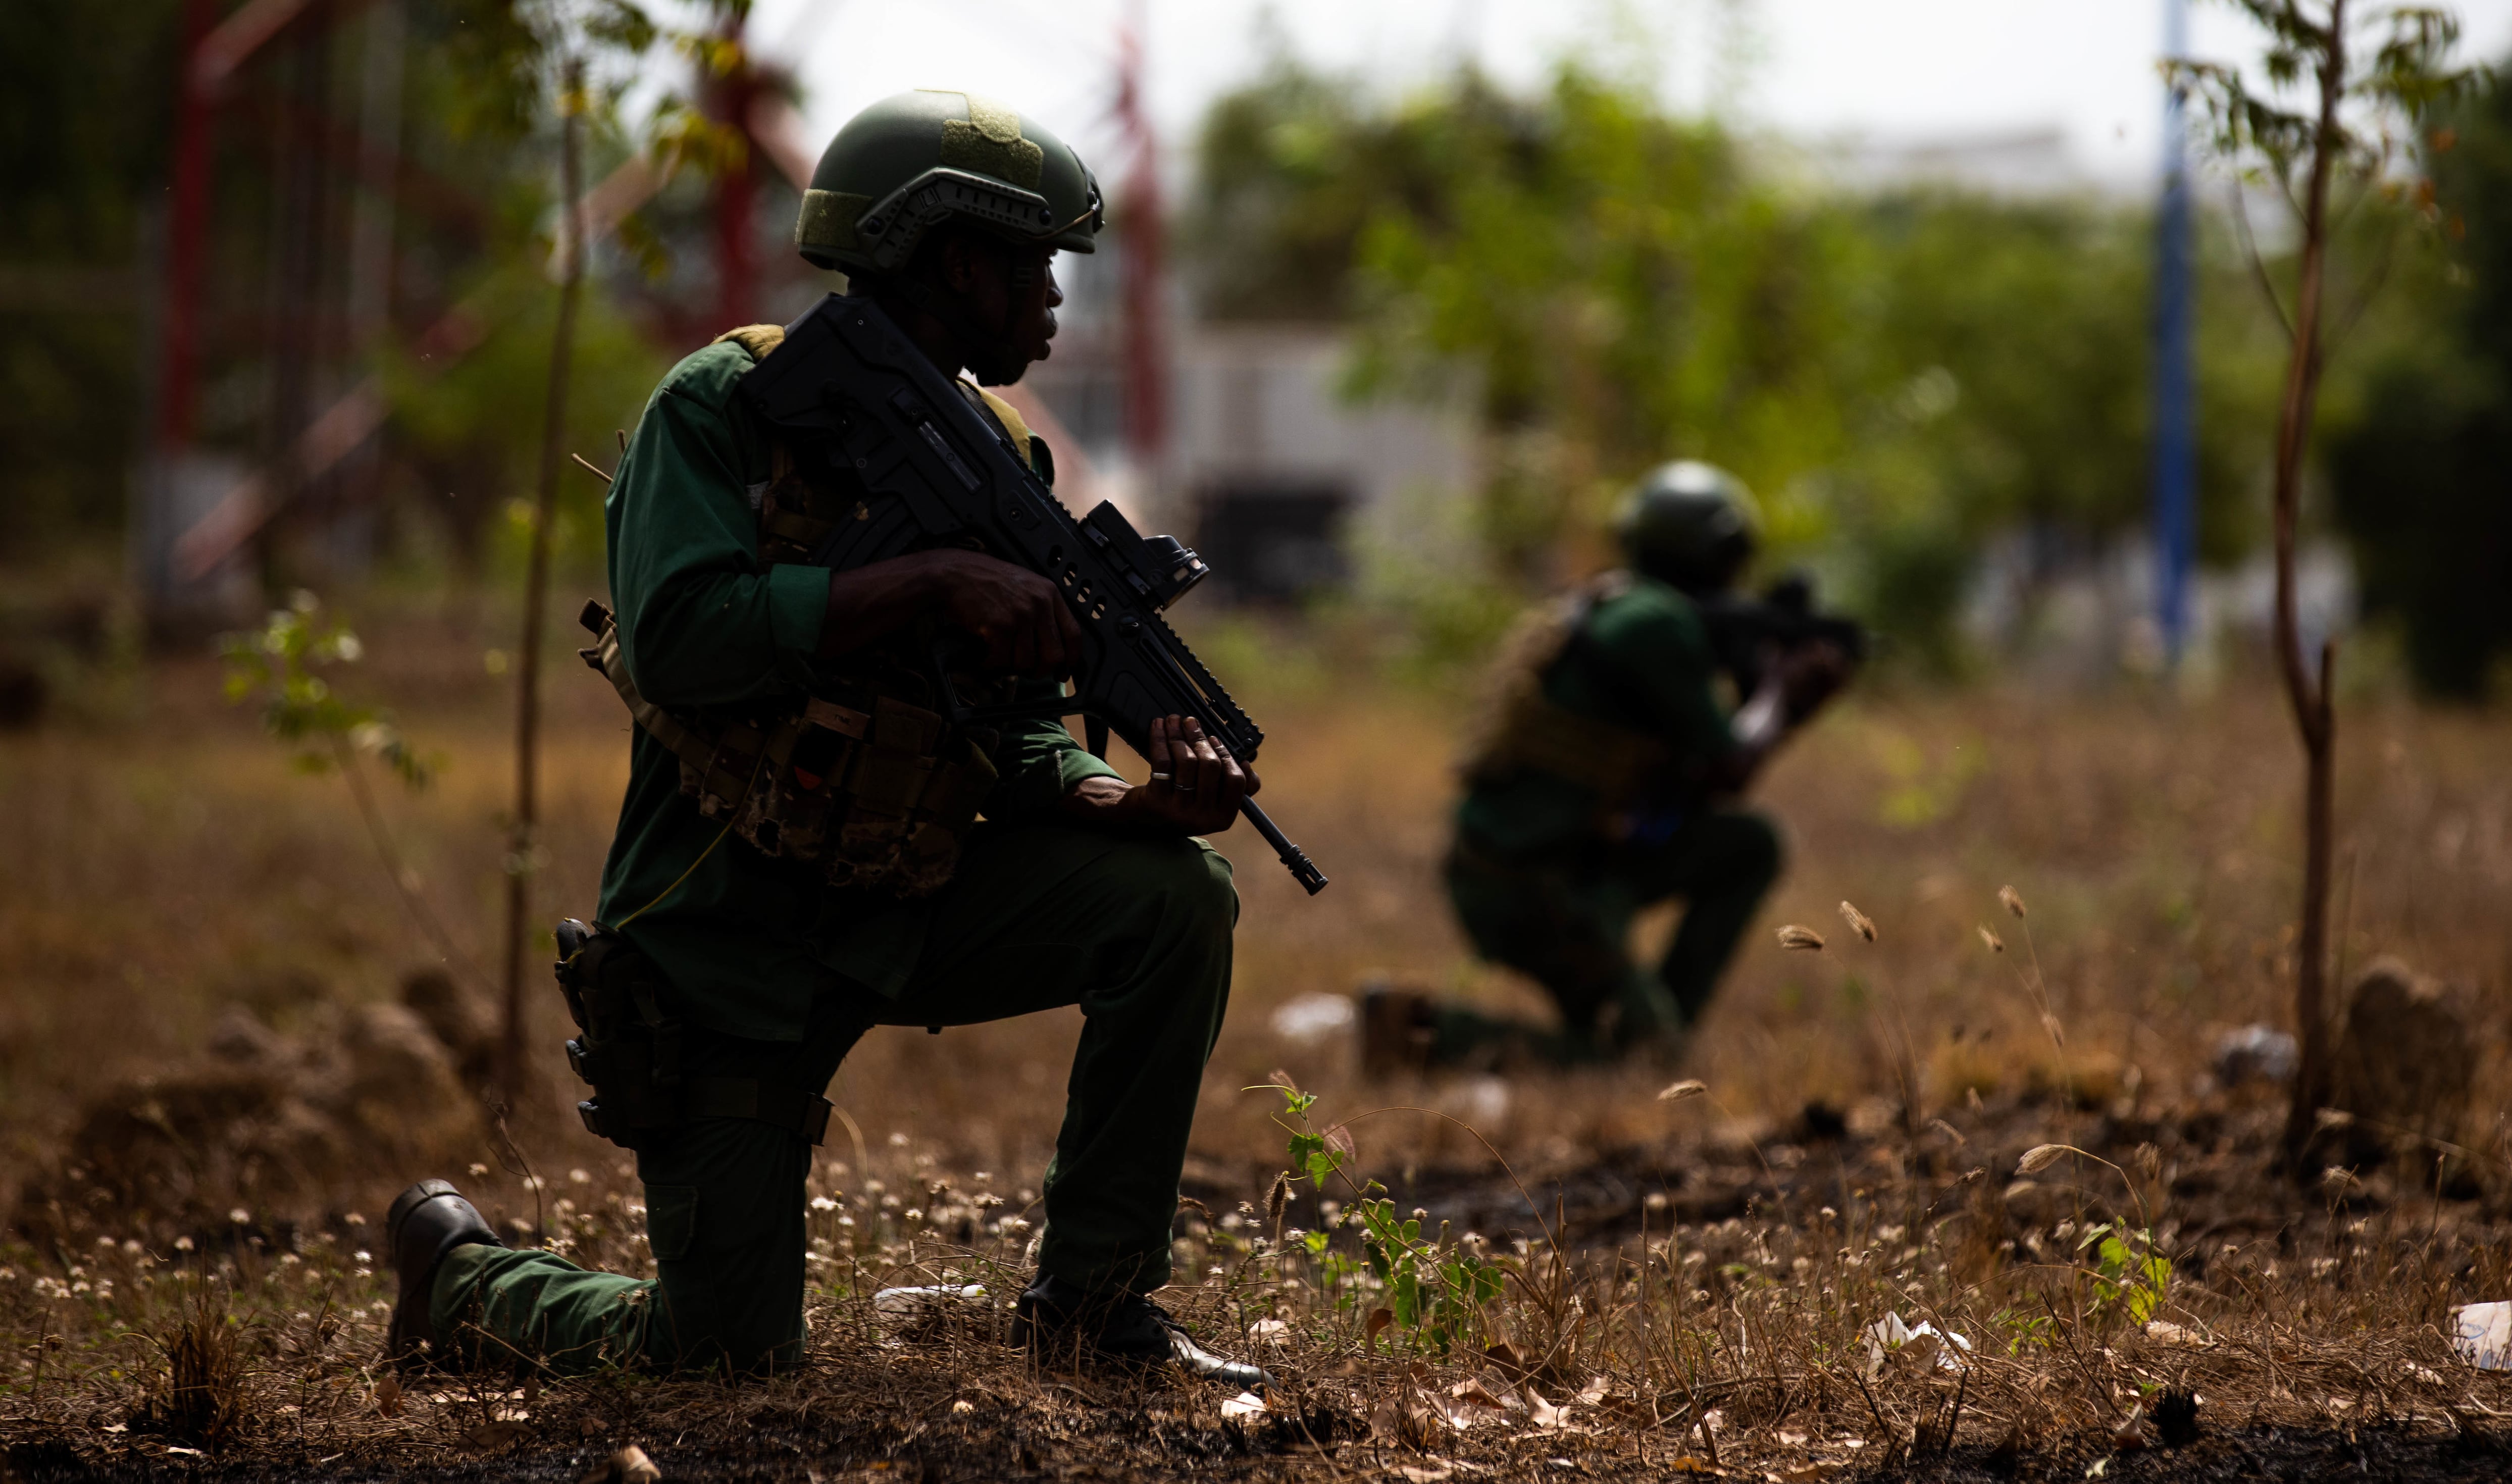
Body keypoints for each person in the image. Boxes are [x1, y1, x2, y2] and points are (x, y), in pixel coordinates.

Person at [384, 90, 1267, 1387]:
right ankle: (467, 1284)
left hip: (907, 895)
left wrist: (1118, 799)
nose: (1055, 300)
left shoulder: (1007, 460)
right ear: (956, 257)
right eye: (1034, 264)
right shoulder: (726, 408)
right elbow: (682, 634)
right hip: (726, 935)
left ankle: (1096, 1306)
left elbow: (1019, 735)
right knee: (721, 1355)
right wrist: (924, 585)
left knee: (1174, 895)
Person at [1377, 462, 1847, 1070]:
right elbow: (1731, 766)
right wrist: (1781, 694)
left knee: (1746, 843)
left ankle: (1654, 1022)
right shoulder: (1655, 625)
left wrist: (1781, 704)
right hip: (1530, 883)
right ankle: (1428, 1033)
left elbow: (1705, 785)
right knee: (1639, 1066)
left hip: (1551, 864)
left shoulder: (1610, 604)